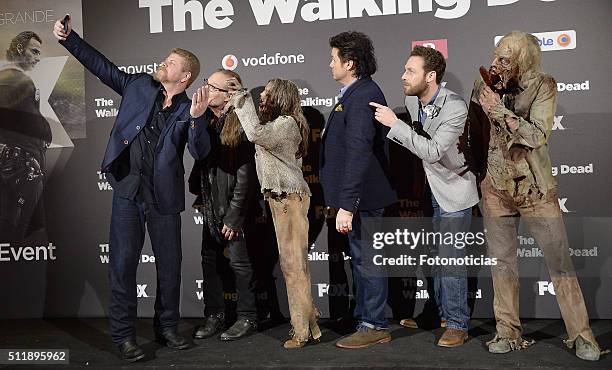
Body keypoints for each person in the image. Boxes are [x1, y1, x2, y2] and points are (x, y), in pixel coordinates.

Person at [53, 17, 211, 362]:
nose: (163, 63)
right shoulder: (139, 86)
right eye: (165, 58)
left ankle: (167, 328)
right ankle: (124, 336)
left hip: (165, 199)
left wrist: (199, 119)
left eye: (170, 63)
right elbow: (103, 67)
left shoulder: (189, 109)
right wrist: (70, 39)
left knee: (169, 268)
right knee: (122, 266)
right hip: (128, 192)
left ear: (184, 77)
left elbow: (200, 152)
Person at [468, 30, 601, 361]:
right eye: (495, 55)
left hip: (534, 190)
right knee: (502, 264)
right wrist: (479, 172)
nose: (495, 64)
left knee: (559, 263)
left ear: (523, 60)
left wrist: (499, 111)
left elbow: (537, 136)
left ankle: (582, 336)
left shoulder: (544, 85)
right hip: (496, 189)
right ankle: (507, 332)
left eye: (504, 59)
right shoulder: (483, 83)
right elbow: (474, 130)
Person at [370, 45, 479, 347]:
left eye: (410, 71)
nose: (403, 76)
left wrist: (395, 124)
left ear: (430, 76)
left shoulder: (455, 107)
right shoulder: (412, 100)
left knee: (452, 259)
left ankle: (457, 324)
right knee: (432, 257)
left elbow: (431, 151)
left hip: (455, 190)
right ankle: (436, 313)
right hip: (427, 190)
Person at [229, 78, 321, 349]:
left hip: (289, 200)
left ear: (281, 97)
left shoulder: (287, 124)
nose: (262, 98)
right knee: (294, 267)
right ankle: (311, 324)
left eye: (267, 94)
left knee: (293, 268)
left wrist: (241, 101)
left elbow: (255, 133)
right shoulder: (281, 123)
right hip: (282, 201)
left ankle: (301, 331)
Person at [319, 31, 396, 349]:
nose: (329, 63)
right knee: (362, 260)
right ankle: (365, 317)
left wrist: (347, 204)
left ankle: (375, 324)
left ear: (349, 63)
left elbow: (358, 152)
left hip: (362, 199)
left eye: (333, 58)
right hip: (356, 199)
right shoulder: (354, 93)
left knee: (368, 261)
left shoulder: (363, 94)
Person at [188, 69, 258, 341]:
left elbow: (246, 175)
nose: (207, 90)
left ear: (230, 93)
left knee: (240, 263)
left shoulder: (242, 121)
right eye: (207, 84)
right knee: (210, 262)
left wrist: (234, 216)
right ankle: (214, 315)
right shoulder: (204, 119)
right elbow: (198, 157)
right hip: (209, 203)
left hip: (233, 207)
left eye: (213, 87)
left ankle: (248, 317)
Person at [0, 31, 51, 242]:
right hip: (19, 169)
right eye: (34, 51)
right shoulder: (15, 80)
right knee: (15, 232)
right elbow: (32, 126)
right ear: (20, 49)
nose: (37, 58)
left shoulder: (13, 79)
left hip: (20, 167)